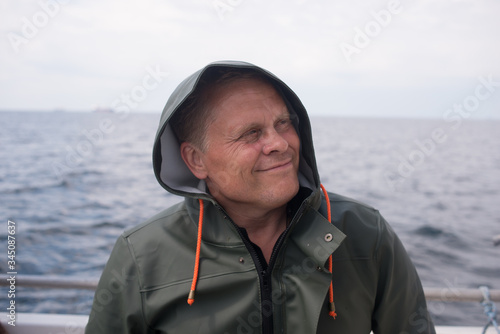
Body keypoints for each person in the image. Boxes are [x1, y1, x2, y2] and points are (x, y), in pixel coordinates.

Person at [85, 60, 436, 333]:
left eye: (284, 123)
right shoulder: (141, 255)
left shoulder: (365, 233)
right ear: (196, 160)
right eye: (251, 133)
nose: (280, 144)